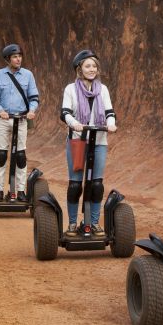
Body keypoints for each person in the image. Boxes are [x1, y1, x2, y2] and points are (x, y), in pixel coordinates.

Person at [60, 49, 117, 236]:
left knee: (96, 184)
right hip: (78, 140)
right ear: (79, 69)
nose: (92, 69)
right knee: (76, 184)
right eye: (87, 66)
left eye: (94, 66)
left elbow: (109, 112)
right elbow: (65, 112)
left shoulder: (103, 89)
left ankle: (93, 223)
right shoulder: (70, 89)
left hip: (99, 140)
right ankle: (73, 223)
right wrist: (74, 123)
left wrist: (111, 124)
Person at [0, 43, 39, 202]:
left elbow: (34, 97)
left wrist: (32, 110)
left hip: (21, 119)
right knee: (2, 154)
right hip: (3, 119)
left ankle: (21, 190)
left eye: (20, 56)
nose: (18, 59)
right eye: (15, 57)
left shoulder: (28, 75)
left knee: (21, 155)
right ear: (7, 59)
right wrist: (1, 111)